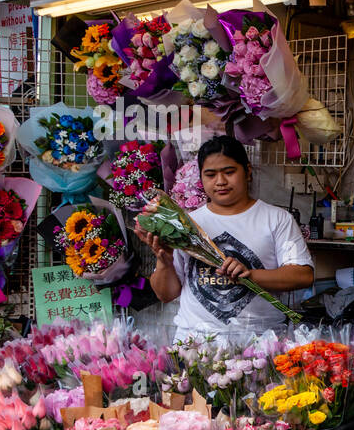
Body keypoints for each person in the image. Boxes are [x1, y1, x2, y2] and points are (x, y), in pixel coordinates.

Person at [134, 135, 314, 338]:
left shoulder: (276, 219)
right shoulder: (185, 224)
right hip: (194, 343)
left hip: (259, 342)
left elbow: (303, 275)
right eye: (210, 175)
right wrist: (164, 262)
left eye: (229, 172)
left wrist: (251, 275)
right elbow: (165, 294)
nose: (220, 181)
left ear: (247, 172)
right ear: (201, 178)